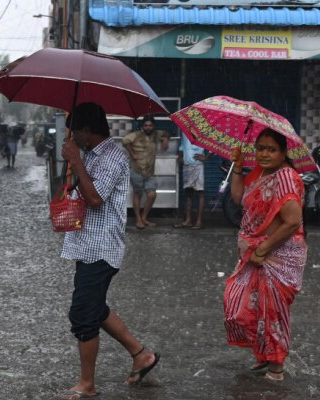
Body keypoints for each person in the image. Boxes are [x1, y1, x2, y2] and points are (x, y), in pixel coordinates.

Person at [59, 103, 160, 399]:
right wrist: (73, 164)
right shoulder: (91, 154)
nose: (73, 135)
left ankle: (87, 384)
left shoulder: (112, 157)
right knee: (95, 307)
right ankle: (141, 355)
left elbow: (95, 198)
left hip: (102, 247)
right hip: (86, 244)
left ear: (87, 131)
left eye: (75, 130)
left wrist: (76, 162)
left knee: (83, 314)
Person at [224, 128, 307, 382]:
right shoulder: (259, 174)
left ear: (283, 154)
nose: (264, 154)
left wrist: (263, 248)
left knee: (272, 311)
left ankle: (276, 367)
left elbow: (293, 221)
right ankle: (263, 354)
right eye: (260, 148)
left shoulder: (286, 178)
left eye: (271, 149)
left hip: (279, 254)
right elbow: (238, 198)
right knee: (240, 306)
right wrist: (238, 167)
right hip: (255, 254)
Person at [122, 115, 169, 229]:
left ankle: (144, 217)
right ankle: (138, 220)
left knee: (152, 195)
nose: (148, 127)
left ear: (153, 126)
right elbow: (124, 140)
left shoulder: (156, 134)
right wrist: (132, 153)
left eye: (150, 125)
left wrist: (165, 139)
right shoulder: (137, 135)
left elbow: (167, 133)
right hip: (136, 170)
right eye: (146, 125)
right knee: (137, 194)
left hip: (149, 172)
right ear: (143, 126)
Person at [174, 133, 211, 230]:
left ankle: (199, 221)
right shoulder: (184, 131)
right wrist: (180, 157)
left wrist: (206, 157)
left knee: (200, 193)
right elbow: (182, 145)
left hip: (198, 165)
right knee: (188, 193)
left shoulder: (202, 131)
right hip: (187, 165)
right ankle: (188, 220)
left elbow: (213, 146)